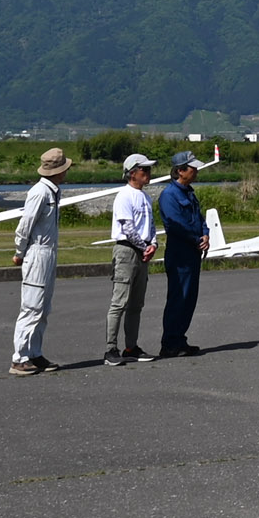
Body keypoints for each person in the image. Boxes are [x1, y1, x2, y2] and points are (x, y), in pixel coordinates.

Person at [8, 147, 70, 376]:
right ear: (58, 171)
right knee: (32, 306)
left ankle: (35, 352)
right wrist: (20, 250)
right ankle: (19, 357)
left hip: (49, 252)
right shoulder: (40, 192)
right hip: (37, 252)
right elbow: (25, 224)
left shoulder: (53, 191)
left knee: (44, 307)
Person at [153, 150, 212, 358]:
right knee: (178, 298)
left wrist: (205, 234)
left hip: (192, 253)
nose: (196, 171)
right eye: (192, 168)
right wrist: (196, 239)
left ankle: (180, 340)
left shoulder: (189, 193)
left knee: (189, 299)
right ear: (180, 171)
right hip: (180, 254)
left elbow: (199, 218)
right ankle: (169, 342)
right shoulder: (169, 195)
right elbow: (175, 225)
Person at [103, 151, 159, 366]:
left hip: (143, 251)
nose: (149, 173)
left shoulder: (146, 197)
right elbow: (127, 227)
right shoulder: (124, 196)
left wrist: (153, 244)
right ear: (132, 172)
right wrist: (144, 247)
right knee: (119, 302)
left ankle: (131, 347)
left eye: (149, 169)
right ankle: (110, 349)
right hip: (126, 251)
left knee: (137, 303)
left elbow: (151, 225)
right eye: (145, 169)